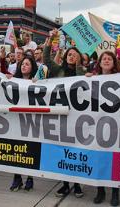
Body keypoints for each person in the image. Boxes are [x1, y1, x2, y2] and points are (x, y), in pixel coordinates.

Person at [44, 28, 85, 198]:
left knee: (76, 150)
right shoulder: (58, 70)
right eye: (69, 53)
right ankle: (65, 184)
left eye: (75, 54)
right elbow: (46, 58)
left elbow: (84, 86)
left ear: (79, 58)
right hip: (61, 115)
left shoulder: (81, 72)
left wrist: (79, 67)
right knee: (63, 150)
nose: (71, 55)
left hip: (79, 117)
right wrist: (50, 37)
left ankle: (77, 184)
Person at [86, 51, 120, 206]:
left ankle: (115, 192)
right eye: (103, 59)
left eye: (109, 59)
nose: (106, 61)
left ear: (114, 62)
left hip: (115, 126)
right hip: (98, 125)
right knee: (99, 158)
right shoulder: (92, 79)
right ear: (99, 63)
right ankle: (100, 191)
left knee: (115, 159)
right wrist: (85, 80)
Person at [8, 56, 38, 191]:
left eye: (27, 64)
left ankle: (30, 178)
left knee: (31, 149)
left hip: (32, 121)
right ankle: (17, 177)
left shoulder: (38, 82)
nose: (24, 66)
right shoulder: (13, 80)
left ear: (32, 67)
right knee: (17, 149)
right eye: (22, 64)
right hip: (17, 119)